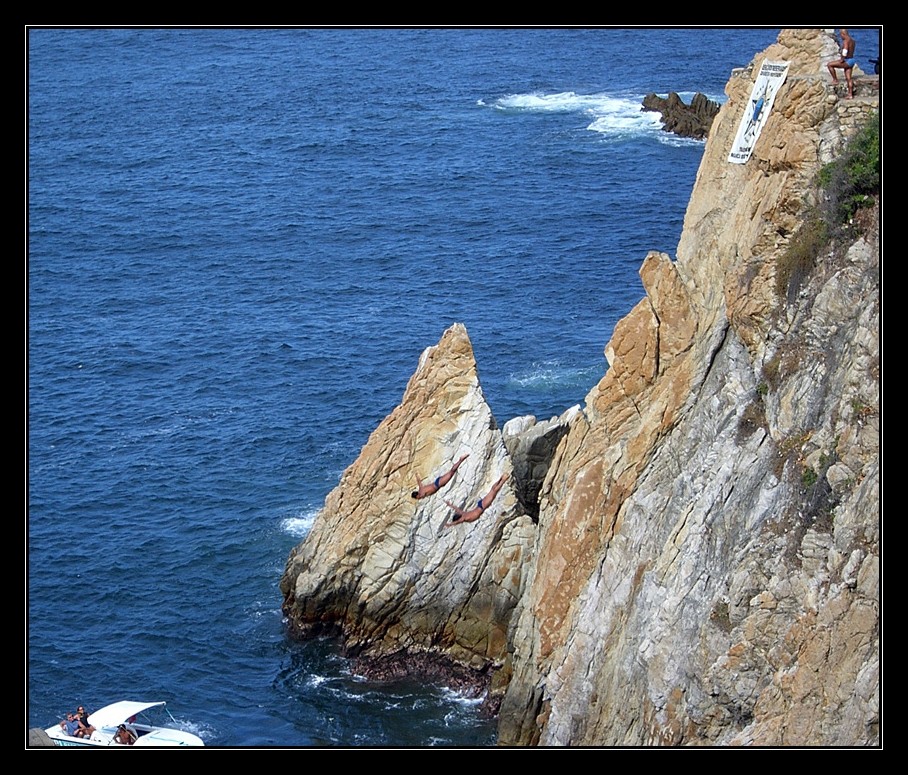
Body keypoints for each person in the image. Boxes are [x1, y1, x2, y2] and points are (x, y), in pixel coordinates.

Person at [444, 473, 508, 528]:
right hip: (482, 506)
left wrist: (450, 505)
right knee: (493, 491)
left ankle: (501, 479)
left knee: (493, 490)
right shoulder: (464, 518)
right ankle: (503, 480)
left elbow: (456, 509)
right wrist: (449, 525)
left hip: (481, 506)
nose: (458, 513)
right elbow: (457, 522)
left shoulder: (464, 514)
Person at [827, 29, 856, 99]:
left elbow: (845, 51)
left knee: (830, 65)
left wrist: (842, 59)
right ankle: (850, 94)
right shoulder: (852, 41)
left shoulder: (846, 41)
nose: (841, 37)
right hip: (852, 60)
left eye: (841, 35)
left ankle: (835, 80)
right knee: (848, 78)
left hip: (847, 60)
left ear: (843, 34)